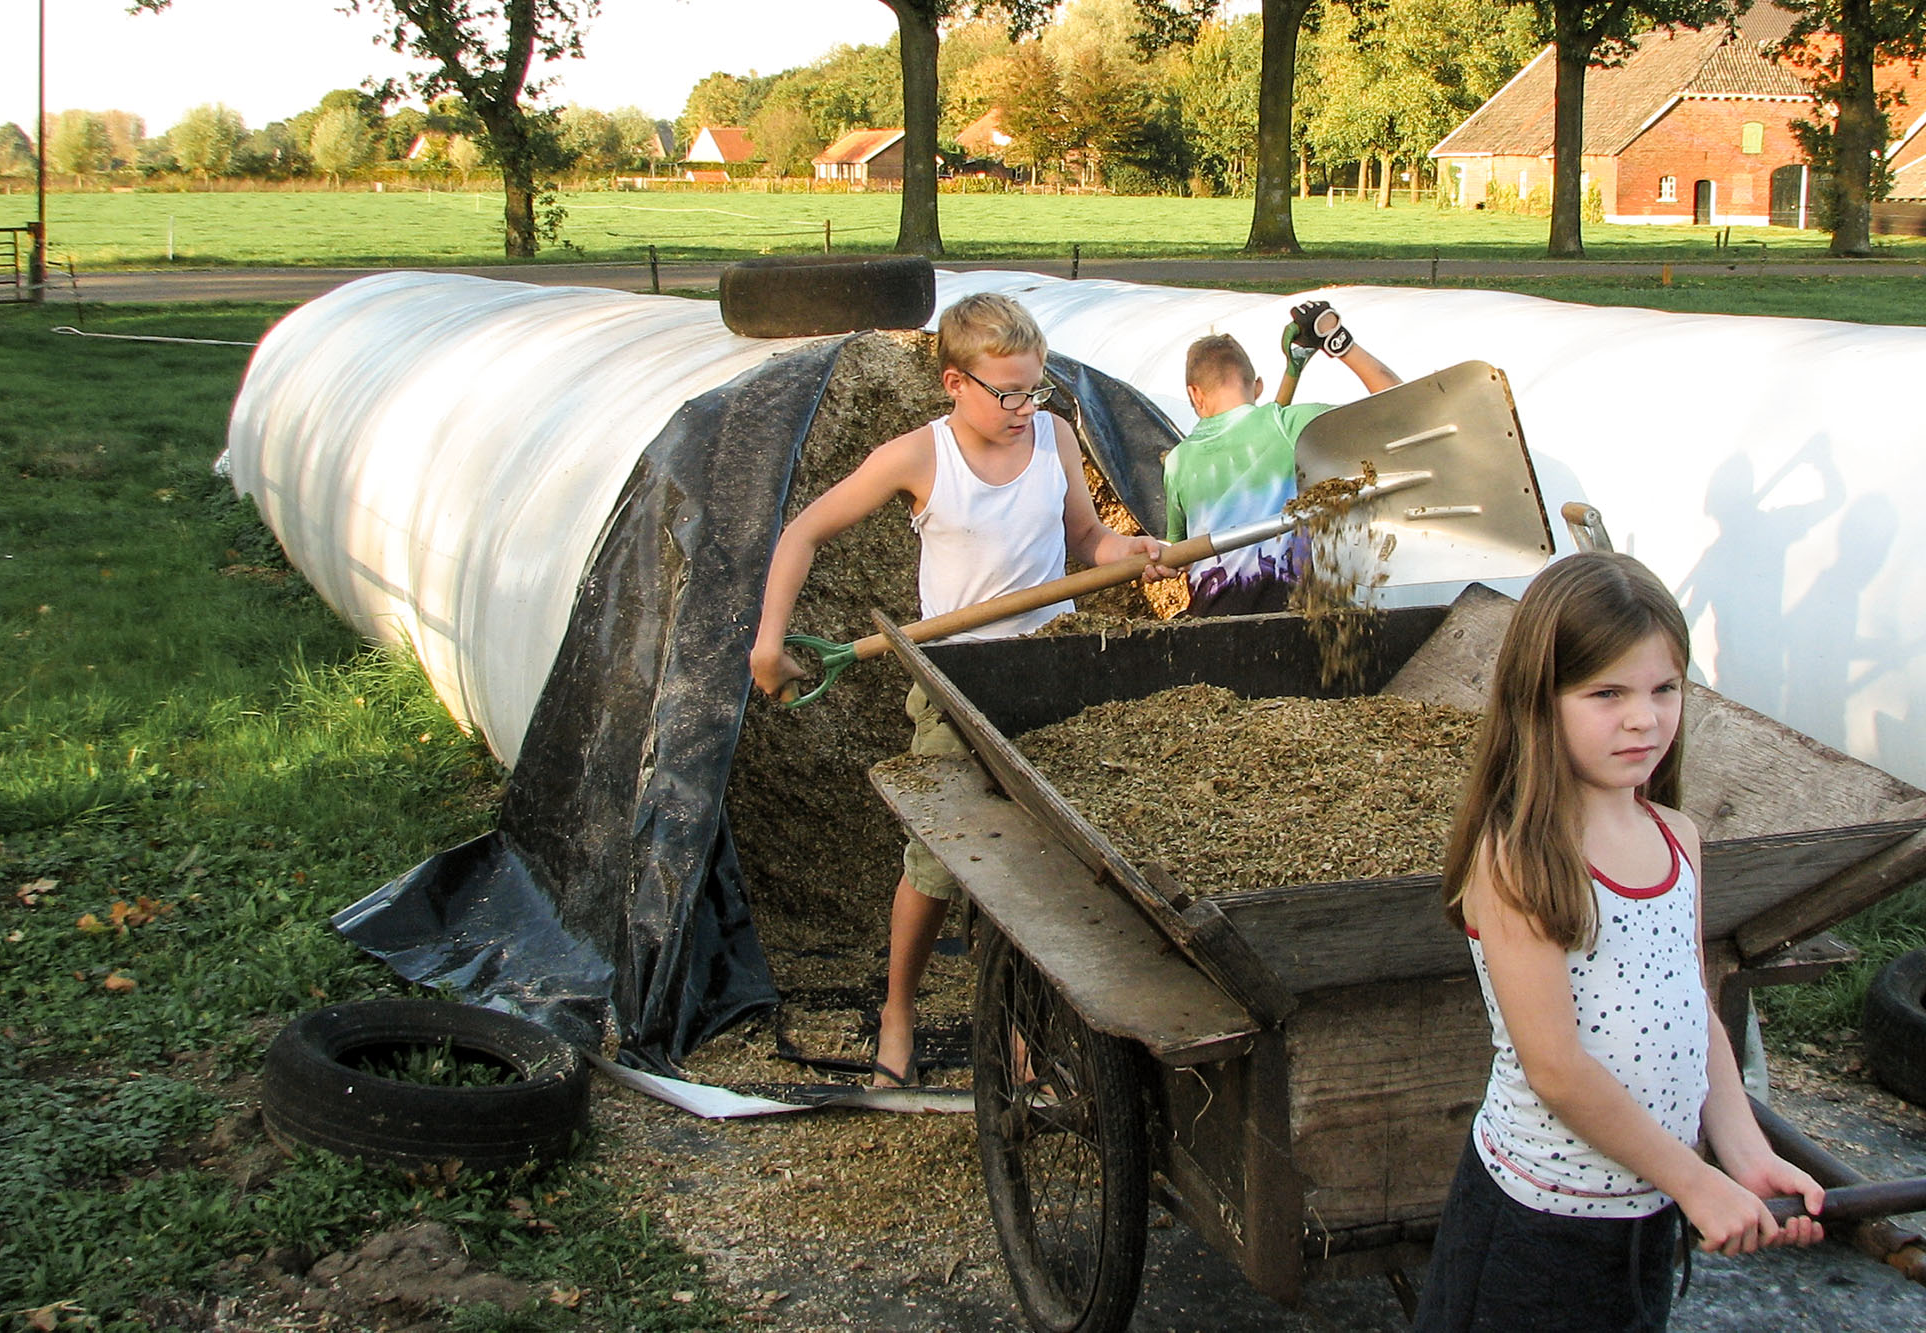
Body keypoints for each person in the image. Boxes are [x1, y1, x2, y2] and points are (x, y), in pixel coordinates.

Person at [750, 291, 1176, 1088]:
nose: (1024, 406)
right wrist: (769, 643)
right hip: (956, 684)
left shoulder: (1053, 435)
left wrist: (1134, 546)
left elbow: (1086, 538)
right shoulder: (920, 456)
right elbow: (803, 531)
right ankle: (898, 1012)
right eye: (1006, 391)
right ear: (955, 383)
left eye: (1035, 387)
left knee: (1050, 865)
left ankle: (1023, 1023)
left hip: (1051, 674)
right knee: (942, 866)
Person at [1413, 551, 1826, 1331]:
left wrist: (1740, 1150)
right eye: (1607, 693)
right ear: (1541, 701)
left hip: (1645, 1219)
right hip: (1536, 1234)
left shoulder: (1678, 838)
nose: (1645, 718)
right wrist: (1695, 1181)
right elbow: (1558, 1070)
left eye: (1664, 688)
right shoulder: (1518, 859)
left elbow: (1690, 1007)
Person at [1161, 300, 1403, 616]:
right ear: (1257, 386)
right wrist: (1339, 341)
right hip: (1294, 613)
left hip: (1212, 622)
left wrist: (1294, 369)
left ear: (1195, 394)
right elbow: (1397, 403)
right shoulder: (1287, 425)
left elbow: (1179, 556)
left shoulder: (1177, 462)